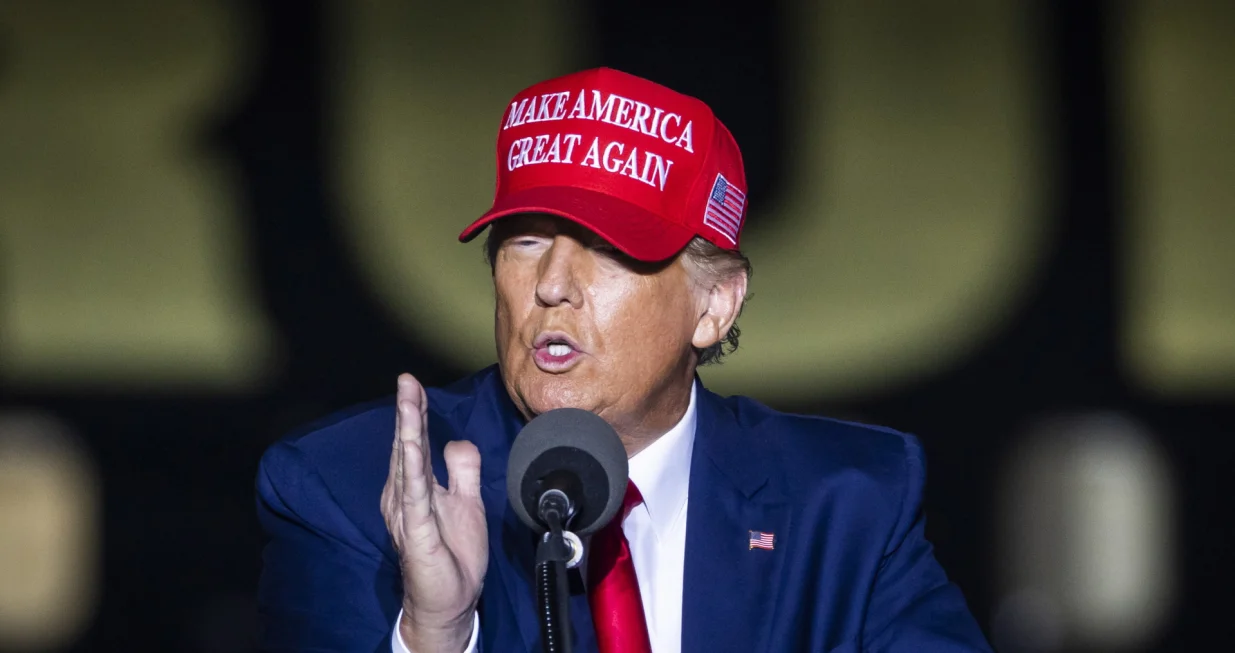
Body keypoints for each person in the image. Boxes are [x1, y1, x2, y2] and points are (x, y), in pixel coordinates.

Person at [255, 67, 992, 653]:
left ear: (714, 305)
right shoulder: (349, 489)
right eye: (525, 240)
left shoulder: (848, 503)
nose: (550, 284)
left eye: (607, 247)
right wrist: (435, 637)